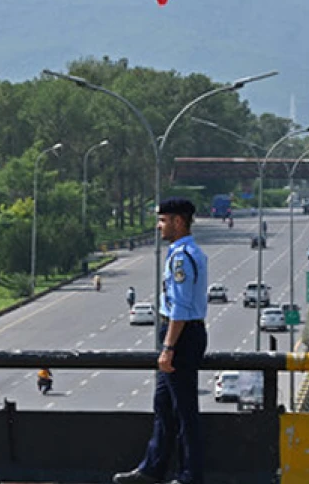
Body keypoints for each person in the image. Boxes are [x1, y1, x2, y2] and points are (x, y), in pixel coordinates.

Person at [114, 198, 208, 484]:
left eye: (163, 220)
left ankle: (190, 475)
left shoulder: (182, 257)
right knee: (163, 407)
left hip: (181, 335)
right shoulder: (183, 251)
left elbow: (179, 307)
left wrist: (168, 347)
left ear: (179, 222)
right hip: (179, 332)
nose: (159, 226)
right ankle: (152, 469)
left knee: (184, 411)